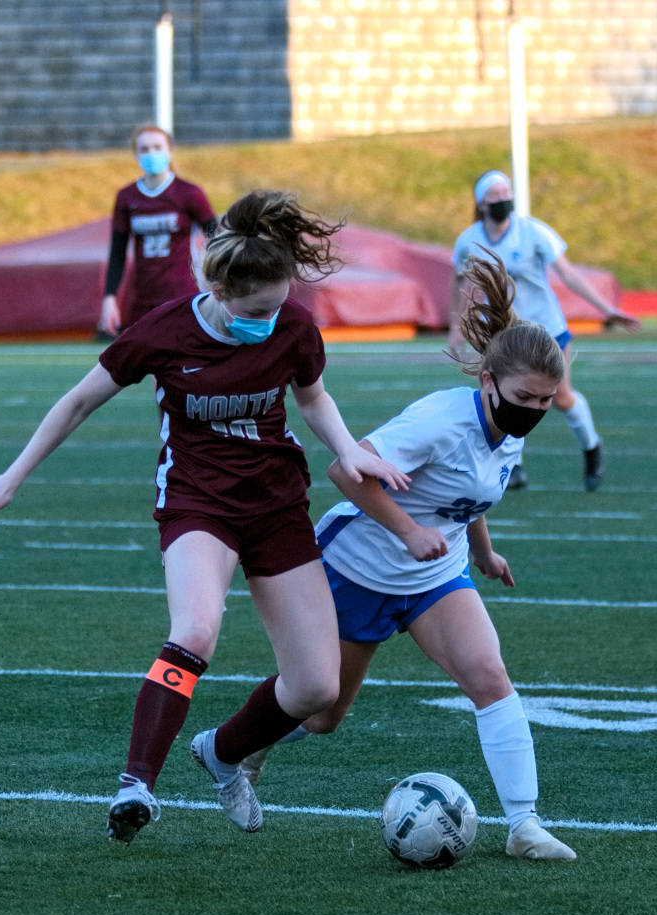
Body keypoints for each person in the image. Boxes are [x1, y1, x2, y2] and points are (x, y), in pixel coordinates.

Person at [0, 189, 409, 844]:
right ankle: (136, 782)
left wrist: (349, 450)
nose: (270, 317)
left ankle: (223, 752)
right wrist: (11, 475)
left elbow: (313, 398)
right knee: (195, 628)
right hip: (198, 501)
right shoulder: (165, 330)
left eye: (278, 304)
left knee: (317, 687)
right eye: (256, 309)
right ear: (220, 291)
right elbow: (79, 400)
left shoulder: (293, 325)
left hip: (278, 504)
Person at [243, 252, 577, 862]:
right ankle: (244, 739)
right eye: (525, 396)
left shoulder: (508, 432)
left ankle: (525, 824)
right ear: (488, 383)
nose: (534, 409)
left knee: (490, 677)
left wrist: (482, 551)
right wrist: (404, 530)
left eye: (546, 400)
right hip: (358, 568)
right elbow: (347, 470)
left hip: (434, 576)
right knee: (321, 714)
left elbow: (464, 496)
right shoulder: (440, 420)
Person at [450, 170, 640, 491]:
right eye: (493, 195)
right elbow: (459, 281)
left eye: (505, 192)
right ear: (481, 203)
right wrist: (456, 325)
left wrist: (607, 309)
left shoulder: (533, 231)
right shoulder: (469, 240)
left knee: (561, 397)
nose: (501, 199)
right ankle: (513, 466)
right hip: (502, 333)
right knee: (500, 397)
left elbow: (568, 274)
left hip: (545, 329)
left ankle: (591, 447)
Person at [99, 123, 217, 337]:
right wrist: (109, 298)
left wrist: (218, 283)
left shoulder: (188, 193)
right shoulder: (127, 197)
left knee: (181, 362)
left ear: (170, 151)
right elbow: (117, 253)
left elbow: (218, 238)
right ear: (136, 154)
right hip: (143, 297)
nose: (151, 153)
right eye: (144, 149)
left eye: (157, 147)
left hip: (182, 293)